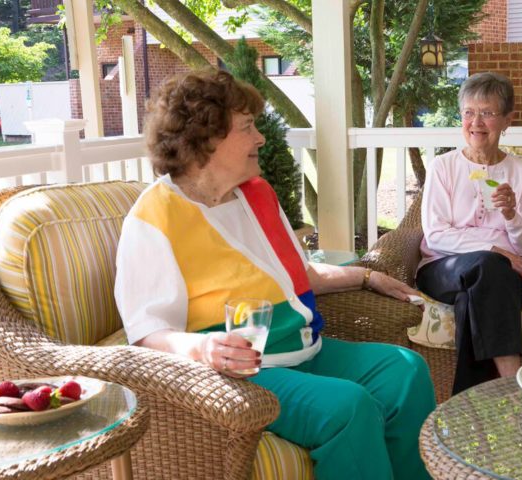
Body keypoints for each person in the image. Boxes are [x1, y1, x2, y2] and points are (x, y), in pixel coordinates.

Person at [114, 70, 435, 480]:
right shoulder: (154, 216)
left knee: (405, 370)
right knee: (347, 406)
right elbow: (146, 332)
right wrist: (203, 348)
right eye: (247, 128)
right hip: (243, 373)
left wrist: (364, 277)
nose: (260, 139)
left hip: (306, 350)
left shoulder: (257, 194)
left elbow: (298, 276)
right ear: (206, 138)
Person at [416, 72, 522, 395]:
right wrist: (496, 250)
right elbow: (435, 235)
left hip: (509, 276)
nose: (476, 122)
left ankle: (468, 406)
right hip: (444, 268)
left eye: (487, 113)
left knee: (474, 296)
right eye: (469, 113)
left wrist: (512, 216)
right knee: (489, 266)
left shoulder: (519, 172)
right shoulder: (443, 167)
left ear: (506, 120)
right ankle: (513, 385)